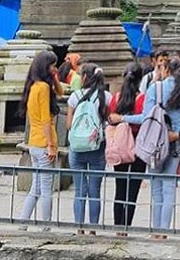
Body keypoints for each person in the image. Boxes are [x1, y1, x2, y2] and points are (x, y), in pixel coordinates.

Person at [112, 57, 180, 238]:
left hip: (155, 142)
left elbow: (145, 118)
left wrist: (123, 118)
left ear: (165, 70)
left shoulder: (155, 88)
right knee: (169, 187)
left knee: (156, 189)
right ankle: (164, 230)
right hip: (176, 142)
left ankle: (156, 230)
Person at [17, 50, 63, 228]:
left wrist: (55, 76)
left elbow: (60, 91)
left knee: (35, 188)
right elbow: (45, 118)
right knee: (46, 189)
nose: (55, 68)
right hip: (44, 143)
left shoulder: (34, 86)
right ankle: (46, 225)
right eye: (52, 65)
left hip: (34, 143)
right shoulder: (43, 88)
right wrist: (51, 145)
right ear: (45, 66)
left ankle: (23, 221)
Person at [66, 62, 112, 232]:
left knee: (79, 191)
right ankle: (93, 228)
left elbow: (69, 124)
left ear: (84, 77)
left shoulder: (74, 96)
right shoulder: (105, 96)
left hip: (76, 148)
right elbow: (108, 121)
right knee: (94, 191)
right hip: (96, 147)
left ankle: (79, 228)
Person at [108, 62, 146, 234]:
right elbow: (146, 120)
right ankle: (126, 226)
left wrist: (120, 119)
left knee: (120, 187)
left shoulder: (115, 98)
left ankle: (118, 227)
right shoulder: (142, 99)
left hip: (119, 146)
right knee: (133, 191)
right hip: (137, 146)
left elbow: (109, 118)